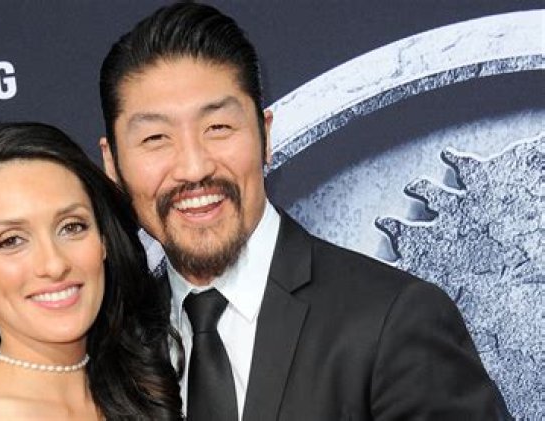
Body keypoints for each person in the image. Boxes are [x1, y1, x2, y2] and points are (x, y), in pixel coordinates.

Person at [98, 2, 510, 420]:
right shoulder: (112, 348)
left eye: (218, 128)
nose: (193, 167)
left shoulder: (394, 321)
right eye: (155, 138)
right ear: (112, 164)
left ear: (265, 136)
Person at [0, 122, 182, 420]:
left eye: (72, 227)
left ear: (103, 238)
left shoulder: (155, 391)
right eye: (11, 241)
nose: (54, 264)